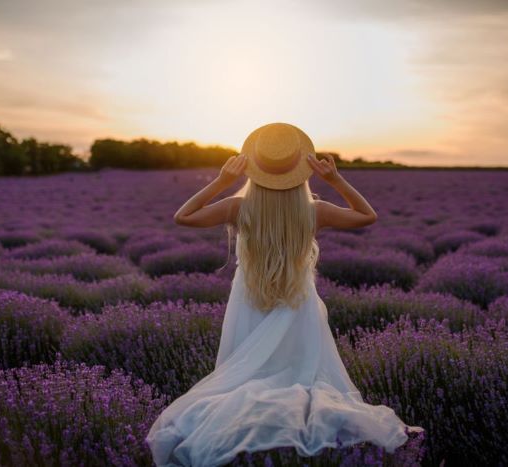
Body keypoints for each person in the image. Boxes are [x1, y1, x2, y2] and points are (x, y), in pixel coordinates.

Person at [144, 122, 424, 466]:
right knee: (300, 377)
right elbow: (367, 215)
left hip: (249, 302)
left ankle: (250, 441)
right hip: (298, 303)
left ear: (255, 168)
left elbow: (183, 217)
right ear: (299, 172)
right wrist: (335, 180)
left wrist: (222, 180)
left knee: (245, 379)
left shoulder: (238, 206)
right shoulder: (313, 211)